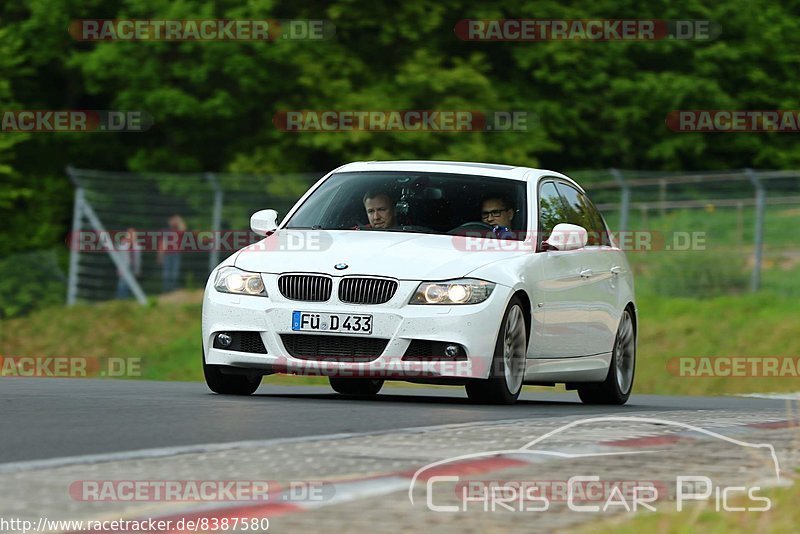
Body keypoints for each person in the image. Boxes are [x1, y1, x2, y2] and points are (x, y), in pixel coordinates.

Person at [158, 214, 186, 292]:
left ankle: (173, 289)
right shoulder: (165, 231)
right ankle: (166, 289)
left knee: (175, 272)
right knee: (166, 273)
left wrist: (179, 220)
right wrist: (160, 256)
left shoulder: (178, 231)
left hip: (176, 254)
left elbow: (183, 228)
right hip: (167, 254)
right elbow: (162, 244)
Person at [115, 228, 142, 299]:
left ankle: (127, 299)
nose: (134, 236)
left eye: (135, 235)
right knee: (122, 284)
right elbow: (119, 257)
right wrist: (119, 268)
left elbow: (138, 260)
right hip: (124, 267)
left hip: (133, 267)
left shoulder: (137, 245)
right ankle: (120, 298)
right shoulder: (123, 244)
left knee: (131, 284)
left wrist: (137, 270)